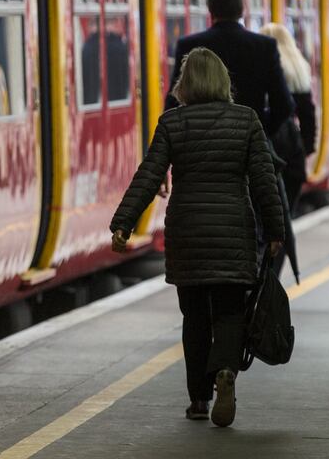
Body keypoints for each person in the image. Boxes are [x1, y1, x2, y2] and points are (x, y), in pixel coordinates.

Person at [110, 48, 285, 428]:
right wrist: (275, 231)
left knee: (193, 317)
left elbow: (149, 174)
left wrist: (123, 223)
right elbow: (264, 182)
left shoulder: (172, 123)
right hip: (232, 230)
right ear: (224, 82)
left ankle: (198, 400)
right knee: (228, 311)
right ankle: (225, 371)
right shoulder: (247, 120)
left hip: (187, 232)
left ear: (184, 85)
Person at [166, 0, 293, 137]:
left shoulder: (189, 45)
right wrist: (259, 131)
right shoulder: (265, 46)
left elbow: (173, 103)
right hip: (248, 148)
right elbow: (284, 105)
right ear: (241, 11)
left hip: (203, 146)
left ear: (211, 11)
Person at [259, 23, 318, 212]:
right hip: (292, 147)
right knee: (286, 212)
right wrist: (306, 147)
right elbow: (308, 113)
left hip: (270, 142)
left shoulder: (266, 65)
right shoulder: (299, 66)